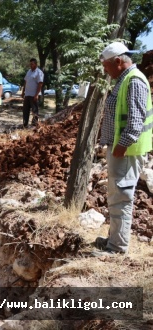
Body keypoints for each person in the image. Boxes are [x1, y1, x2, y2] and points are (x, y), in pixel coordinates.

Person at [93, 42, 152, 256]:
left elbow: (135, 122)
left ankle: (117, 249)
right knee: (116, 196)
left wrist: (121, 145)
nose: (105, 71)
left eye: (106, 67)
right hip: (121, 149)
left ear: (118, 61)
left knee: (122, 196)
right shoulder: (124, 79)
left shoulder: (134, 81)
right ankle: (114, 240)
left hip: (127, 151)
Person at [21, 58, 44, 128]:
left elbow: (40, 84)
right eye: (30, 64)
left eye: (32, 64)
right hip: (27, 94)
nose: (31, 65)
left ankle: (34, 125)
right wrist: (23, 91)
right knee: (25, 111)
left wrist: (36, 95)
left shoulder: (39, 72)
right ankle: (25, 125)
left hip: (34, 95)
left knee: (34, 111)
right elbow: (25, 82)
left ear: (36, 64)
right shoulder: (29, 72)